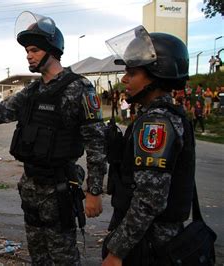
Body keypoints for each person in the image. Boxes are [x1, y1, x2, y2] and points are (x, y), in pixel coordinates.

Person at [0, 12, 107, 265]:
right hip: (31, 187)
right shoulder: (32, 91)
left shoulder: (78, 88)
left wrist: (95, 190)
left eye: (34, 50)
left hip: (59, 187)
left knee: (63, 256)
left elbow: (96, 141)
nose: (28, 55)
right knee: (38, 256)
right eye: (27, 50)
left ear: (52, 50)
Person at [103, 26, 195, 265]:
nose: (124, 79)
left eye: (132, 73)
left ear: (155, 77)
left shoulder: (156, 123)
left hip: (150, 244)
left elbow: (149, 199)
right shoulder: (159, 115)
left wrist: (117, 251)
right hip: (151, 240)